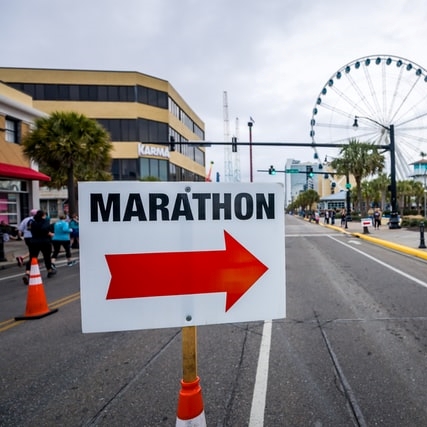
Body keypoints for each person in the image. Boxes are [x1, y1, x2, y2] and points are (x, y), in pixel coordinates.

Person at [22, 210, 56, 284]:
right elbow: (44, 229)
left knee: (32, 257)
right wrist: (50, 234)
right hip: (44, 241)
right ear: (43, 215)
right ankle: (49, 271)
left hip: (34, 242)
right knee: (47, 257)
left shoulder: (33, 222)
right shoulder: (45, 221)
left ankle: (27, 273)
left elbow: (30, 230)